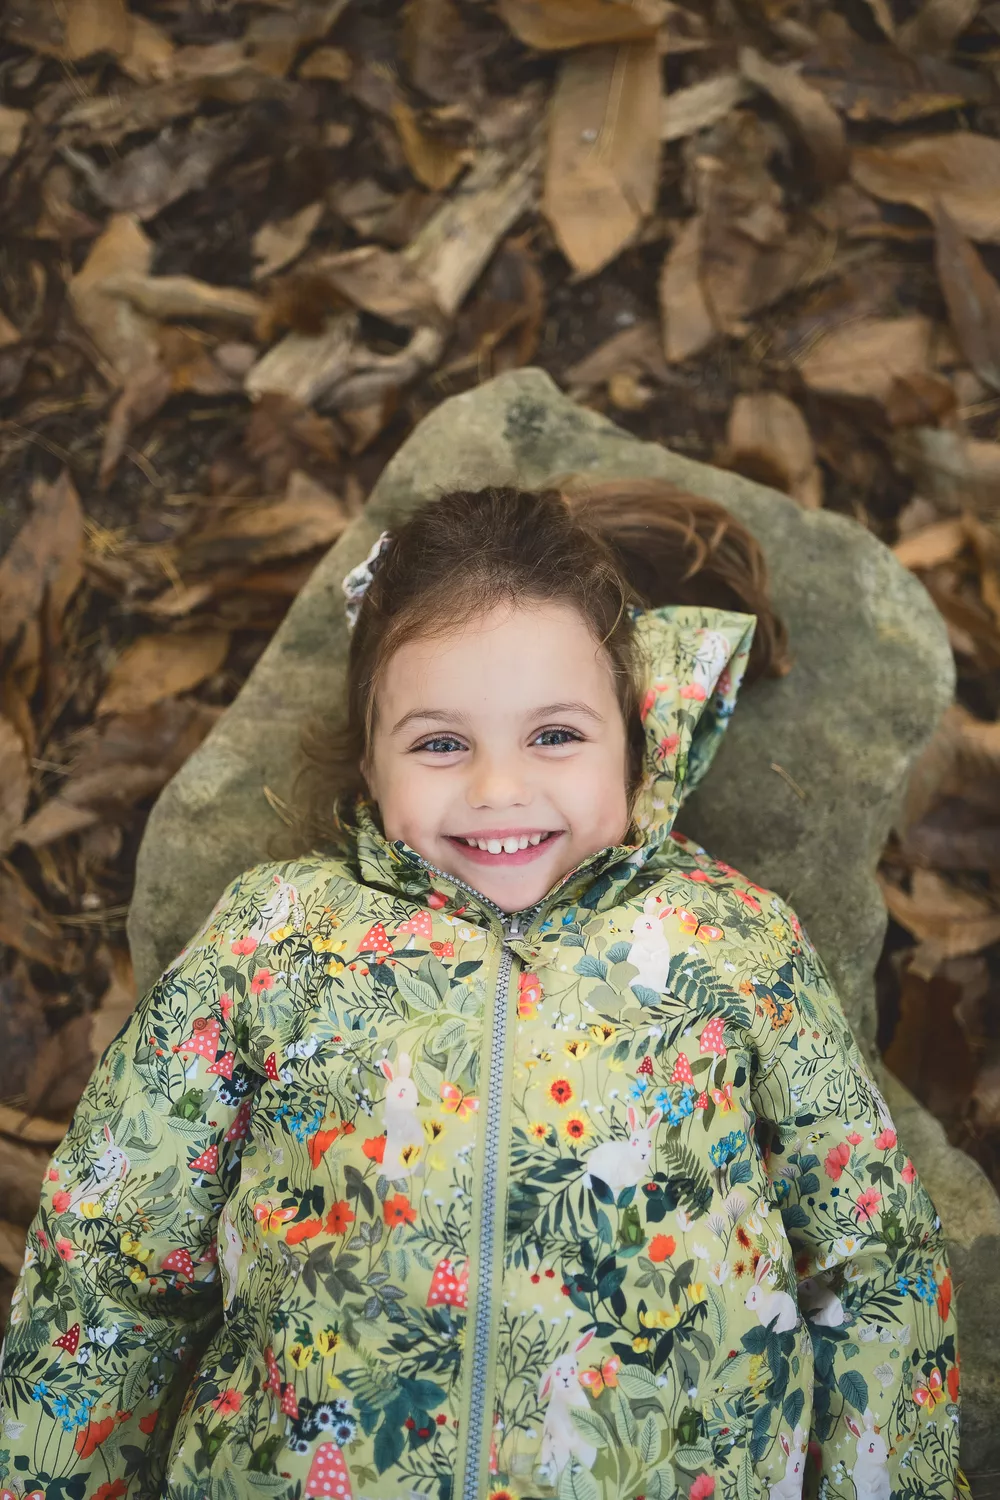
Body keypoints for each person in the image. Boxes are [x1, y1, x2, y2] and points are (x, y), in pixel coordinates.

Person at [0, 482, 963, 1500]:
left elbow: (872, 1262)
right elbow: (112, 1248)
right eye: (440, 742)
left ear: (631, 739)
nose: (499, 789)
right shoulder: (277, 936)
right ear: (369, 760)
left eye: (555, 735)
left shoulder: (731, 939)